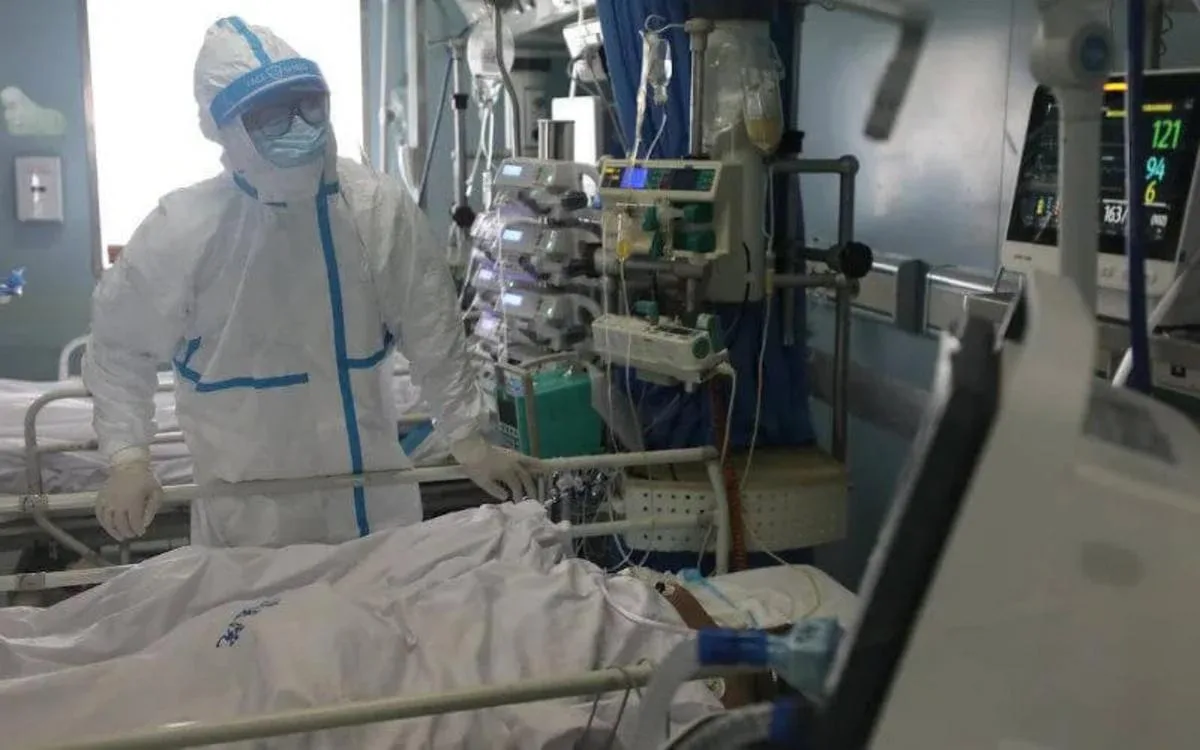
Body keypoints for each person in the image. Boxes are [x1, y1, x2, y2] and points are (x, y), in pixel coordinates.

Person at [83, 17, 537, 547]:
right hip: (245, 524)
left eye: (308, 104)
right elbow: (120, 350)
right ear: (224, 128)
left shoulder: (376, 208)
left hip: (374, 513)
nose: (298, 124)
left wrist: (468, 439)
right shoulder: (183, 231)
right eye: (271, 115)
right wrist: (128, 458)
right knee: (263, 602)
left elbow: (432, 328)